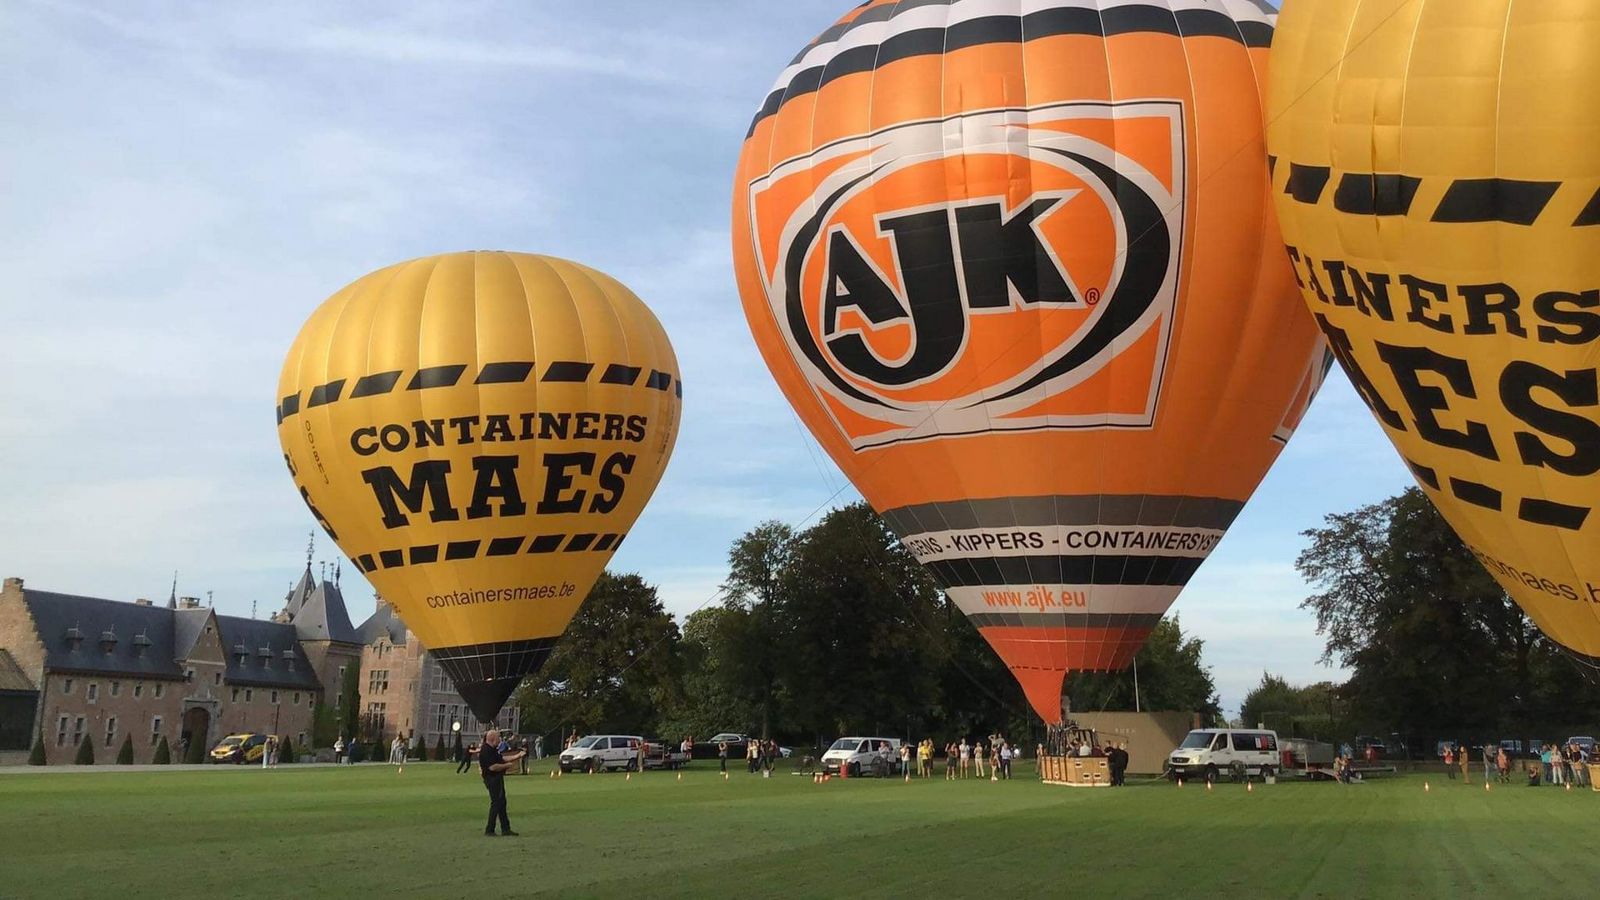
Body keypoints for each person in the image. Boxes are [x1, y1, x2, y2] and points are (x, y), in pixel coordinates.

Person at [478, 729, 522, 837]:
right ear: (492, 739)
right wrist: (507, 766)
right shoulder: (486, 750)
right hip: (492, 779)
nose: (500, 740)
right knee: (496, 803)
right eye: (498, 738)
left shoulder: (493, 749)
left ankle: (505, 829)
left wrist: (517, 756)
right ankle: (490, 829)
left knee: (502, 803)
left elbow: (501, 758)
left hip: (497, 778)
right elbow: (493, 767)